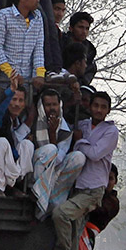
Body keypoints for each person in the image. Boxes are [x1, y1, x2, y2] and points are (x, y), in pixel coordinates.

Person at [46, 93, 119, 250]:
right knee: (75, 239)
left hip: (93, 190)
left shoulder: (111, 131)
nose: (98, 110)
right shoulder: (83, 124)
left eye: (103, 107)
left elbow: (95, 154)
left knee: (61, 214)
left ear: (108, 110)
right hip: (77, 187)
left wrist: (80, 142)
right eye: (95, 105)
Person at [31, 89, 84, 218]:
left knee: (79, 157)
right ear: (42, 106)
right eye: (48, 105)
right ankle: (38, 194)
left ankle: (50, 198)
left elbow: (58, 159)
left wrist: (53, 133)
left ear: (59, 105)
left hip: (53, 170)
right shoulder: (34, 120)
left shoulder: (63, 127)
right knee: (50, 150)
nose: (52, 108)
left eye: (54, 104)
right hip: (34, 167)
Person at [0, 0, 47, 91]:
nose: (38, 0)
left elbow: (38, 48)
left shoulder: (38, 17)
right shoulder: (3, 15)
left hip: (27, 82)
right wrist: (11, 73)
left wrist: (39, 74)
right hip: (4, 82)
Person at [0, 90, 34, 194]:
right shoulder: (1, 117)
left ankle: (14, 183)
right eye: (13, 99)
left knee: (27, 144)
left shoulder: (17, 121)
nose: (17, 104)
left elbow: (15, 140)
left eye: (20, 100)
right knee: (1, 142)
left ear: (24, 104)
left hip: (10, 167)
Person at [63, 11, 98, 85]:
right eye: (81, 27)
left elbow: (87, 77)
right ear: (71, 28)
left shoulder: (90, 53)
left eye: (87, 28)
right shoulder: (60, 43)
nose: (84, 31)